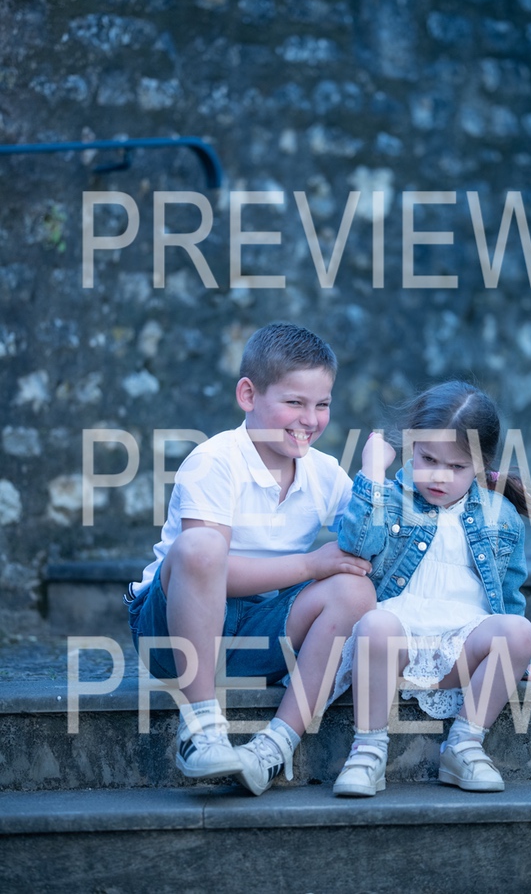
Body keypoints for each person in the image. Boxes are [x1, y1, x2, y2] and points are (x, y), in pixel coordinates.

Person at [126, 322, 375, 796]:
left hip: (258, 635)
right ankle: (201, 729)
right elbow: (210, 569)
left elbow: (378, 536)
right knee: (201, 546)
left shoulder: (324, 472)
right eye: (294, 402)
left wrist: (377, 477)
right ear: (248, 395)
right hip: (172, 635)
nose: (310, 419)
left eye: (322, 404)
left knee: (356, 588)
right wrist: (309, 566)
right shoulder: (214, 461)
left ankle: (273, 748)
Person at [330, 380, 531, 797]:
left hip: (461, 652)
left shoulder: (500, 515)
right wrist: (371, 476)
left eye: (457, 467)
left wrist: (517, 661)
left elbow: (508, 597)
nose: (439, 476)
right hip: (393, 650)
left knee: (520, 632)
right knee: (374, 624)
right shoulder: (389, 498)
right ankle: (367, 750)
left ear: (480, 464)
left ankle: (463, 745)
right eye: (428, 458)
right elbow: (356, 545)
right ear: (412, 445)